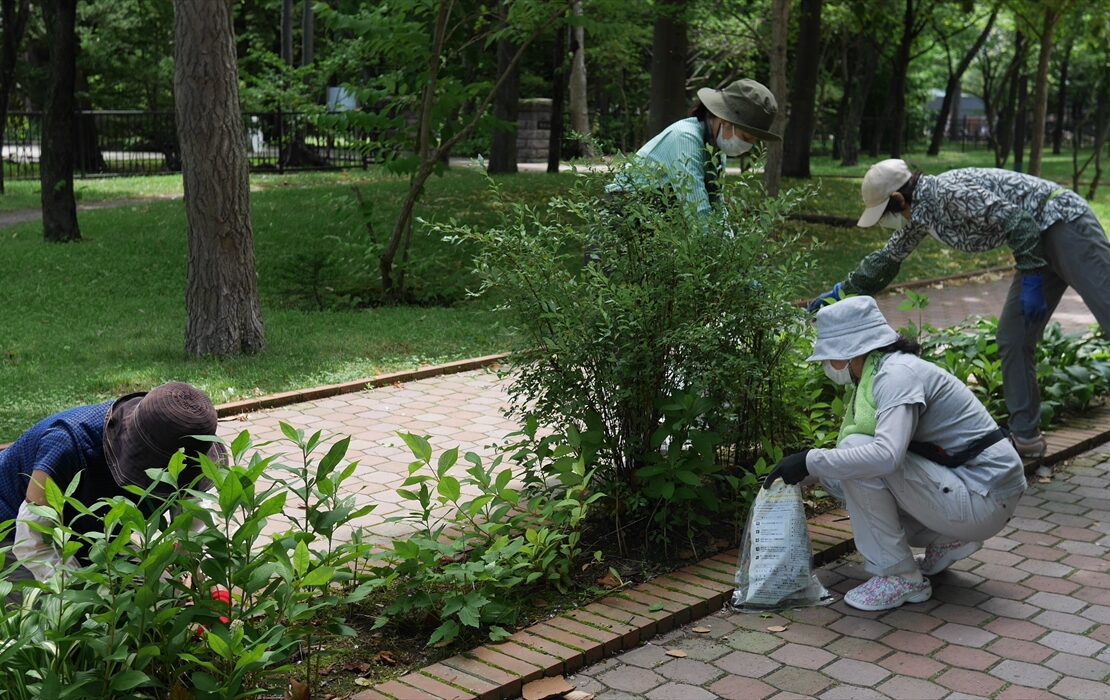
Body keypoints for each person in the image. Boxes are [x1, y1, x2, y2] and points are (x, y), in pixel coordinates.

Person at [807, 159, 1110, 460]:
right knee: (1012, 338)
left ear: (899, 199)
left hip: (1063, 224)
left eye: (885, 213)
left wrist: (1032, 275)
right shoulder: (921, 215)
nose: (887, 222)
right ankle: (1026, 438)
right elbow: (887, 260)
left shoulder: (947, 192)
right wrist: (841, 293)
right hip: (1031, 244)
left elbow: (1019, 221)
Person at [764, 296, 1026, 611]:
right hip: (981, 491)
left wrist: (810, 460)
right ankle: (947, 539)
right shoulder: (882, 371)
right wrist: (808, 472)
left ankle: (900, 577)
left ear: (850, 351)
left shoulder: (896, 376)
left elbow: (885, 457)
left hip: (983, 498)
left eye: (828, 356)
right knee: (840, 474)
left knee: (855, 454)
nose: (826, 366)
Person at [0, 382, 226, 585]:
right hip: (11, 529)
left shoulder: (178, 433)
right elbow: (33, 541)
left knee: (160, 594)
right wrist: (79, 599)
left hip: (93, 533)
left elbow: (194, 522)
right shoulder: (66, 444)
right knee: (48, 621)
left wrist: (203, 583)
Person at [604, 78, 781, 225]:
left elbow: (716, 207)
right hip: (621, 220)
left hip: (651, 222)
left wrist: (730, 252)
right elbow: (698, 213)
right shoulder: (686, 139)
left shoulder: (715, 152)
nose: (748, 145)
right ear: (724, 119)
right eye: (746, 137)